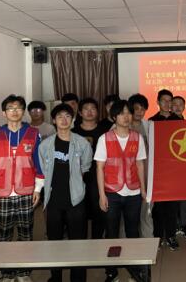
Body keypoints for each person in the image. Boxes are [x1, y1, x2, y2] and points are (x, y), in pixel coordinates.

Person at [0, 95, 43, 282]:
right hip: (3, 193)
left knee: (26, 233)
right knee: (4, 235)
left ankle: (24, 272)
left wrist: (38, 189)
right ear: (4, 113)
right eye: (10, 108)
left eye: (18, 107)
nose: (14, 111)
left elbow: (39, 163)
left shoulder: (33, 134)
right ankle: (8, 273)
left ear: (23, 111)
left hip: (26, 190)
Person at [39, 103, 92, 282]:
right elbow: (43, 170)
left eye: (68, 116)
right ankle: (56, 277)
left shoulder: (82, 143)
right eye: (60, 116)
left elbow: (85, 166)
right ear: (54, 120)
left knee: (78, 244)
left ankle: (78, 278)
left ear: (73, 119)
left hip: (76, 199)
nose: (64, 120)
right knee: (54, 243)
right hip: (53, 200)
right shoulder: (45, 145)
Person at [94, 100, 146, 282]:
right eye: (122, 113)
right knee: (112, 232)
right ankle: (111, 271)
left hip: (133, 191)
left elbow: (140, 164)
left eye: (128, 113)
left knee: (133, 232)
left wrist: (143, 190)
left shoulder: (137, 138)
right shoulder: (105, 138)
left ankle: (134, 269)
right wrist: (102, 195)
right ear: (114, 117)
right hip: (112, 192)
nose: (126, 116)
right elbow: (99, 168)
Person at [148, 89, 181, 250]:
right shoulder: (152, 121)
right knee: (159, 208)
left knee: (173, 207)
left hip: (174, 170)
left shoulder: (178, 120)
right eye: (164, 100)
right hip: (157, 170)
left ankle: (171, 235)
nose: (167, 103)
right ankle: (158, 236)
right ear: (158, 102)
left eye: (170, 101)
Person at [72, 98, 107, 239]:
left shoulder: (104, 132)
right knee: (79, 210)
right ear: (80, 112)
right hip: (77, 176)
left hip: (98, 175)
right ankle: (81, 243)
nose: (89, 111)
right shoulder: (73, 132)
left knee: (98, 209)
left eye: (93, 108)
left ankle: (97, 241)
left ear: (97, 112)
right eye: (86, 109)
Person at [127, 94, 153, 238]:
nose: (139, 112)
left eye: (142, 109)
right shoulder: (121, 125)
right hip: (127, 175)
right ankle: (126, 244)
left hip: (146, 175)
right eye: (136, 108)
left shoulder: (149, 126)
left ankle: (147, 242)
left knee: (146, 212)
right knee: (127, 214)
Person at [171, 95, 186, 240]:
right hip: (170, 168)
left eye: (181, 104)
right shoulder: (164, 123)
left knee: (184, 199)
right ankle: (173, 226)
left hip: (185, 167)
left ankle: (184, 225)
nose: (178, 107)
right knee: (172, 198)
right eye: (175, 104)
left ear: (185, 107)